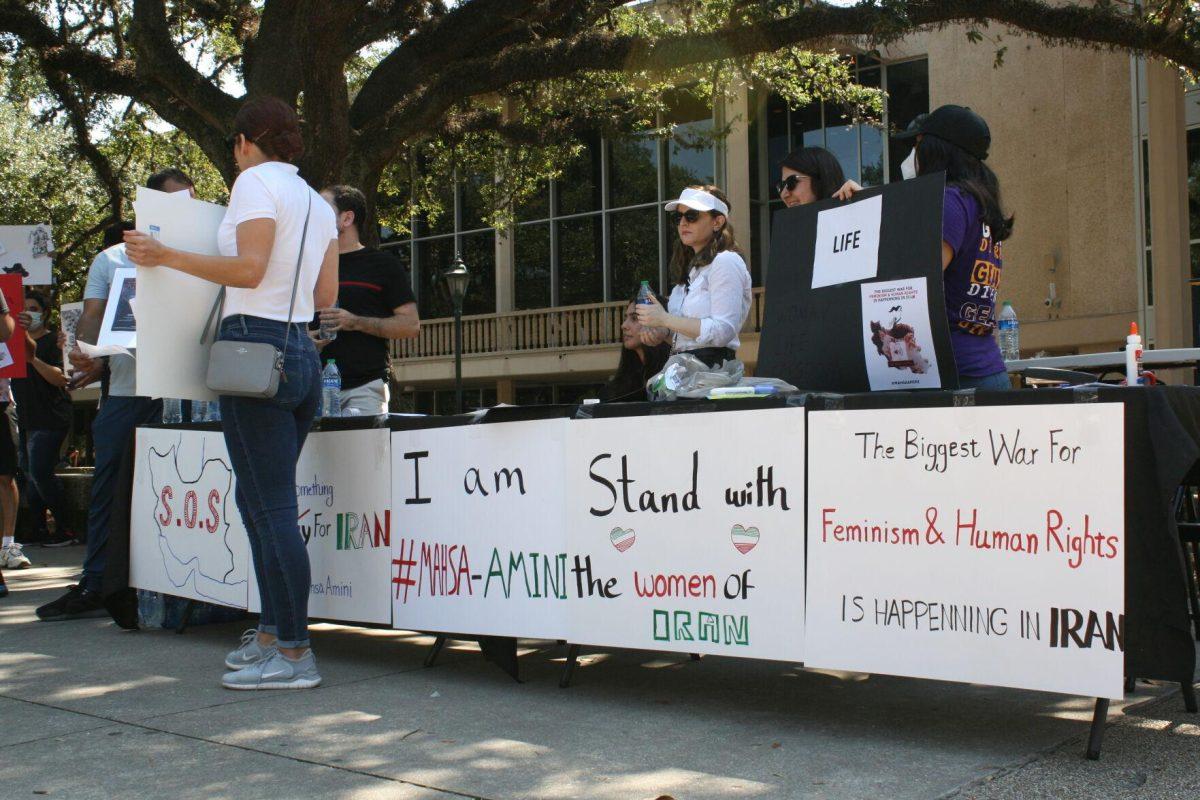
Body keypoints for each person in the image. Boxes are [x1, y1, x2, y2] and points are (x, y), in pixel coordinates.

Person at [125, 96, 338, 690]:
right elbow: (325, 296)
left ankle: (295, 652)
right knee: (259, 503)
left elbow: (248, 270)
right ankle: (274, 633)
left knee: (269, 507)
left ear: (245, 141)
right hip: (300, 350)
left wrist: (166, 255)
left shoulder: (253, 184)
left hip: (252, 346)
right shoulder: (318, 204)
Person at [36, 171, 194, 622]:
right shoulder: (111, 259)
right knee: (109, 488)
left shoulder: (204, 256)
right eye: (176, 203)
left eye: (192, 203)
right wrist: (85, 353)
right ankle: (96, 582)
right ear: (150, 207)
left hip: (189, 394)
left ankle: (181, 584)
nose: (186, 213)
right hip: (128, 391)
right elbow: (91, 320)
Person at [894, 104, 1014, 389]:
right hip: (984, 369)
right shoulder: (977, 201)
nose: (913, 153)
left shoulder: (950, 201)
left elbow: (919, 277)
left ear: (936, 148)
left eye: (918, 144)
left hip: (958, 376)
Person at [315, 184, 419, 415]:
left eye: (321, 209)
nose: (313, 215)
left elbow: (410, 325)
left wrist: (355, 322)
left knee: (362, 452)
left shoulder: (382, 264)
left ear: (346, 218)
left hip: (363, 390)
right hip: (310, 390)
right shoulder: (307, 265)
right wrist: (303, 339)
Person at [636, 186, 752, 367]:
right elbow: (687, 337)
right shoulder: (689, 272)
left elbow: (723, 331)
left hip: (712, 370)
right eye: (678, 217)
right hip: (685, 368)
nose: (683, 223)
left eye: (692, 216)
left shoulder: (726, 261)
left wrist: (665, 319)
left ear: (718, 222)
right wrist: (662, 333)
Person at [11, 291, 74, 550]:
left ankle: (66, 526)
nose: (28, 312)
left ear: (45, 313)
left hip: (50, 418)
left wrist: (32, 359)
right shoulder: (13, 344)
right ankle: (37, 527)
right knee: (30, 475)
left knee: (40, 473)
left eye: (34, 308)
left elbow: (62, 378)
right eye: (23, 308)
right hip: (26, 419)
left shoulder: (53, 343)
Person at [600, 289, 672, 402]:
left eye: (634, 318)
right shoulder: (623, 381)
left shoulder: (672, 373)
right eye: (626, 318)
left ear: (657, 323)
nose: (624, 325)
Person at [776, 146, 862, 207]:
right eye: (781, 185)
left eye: (791, 182)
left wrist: (866, 201)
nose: (784, 194)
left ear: (820, 180)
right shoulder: (788, 230)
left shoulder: (852, 218)